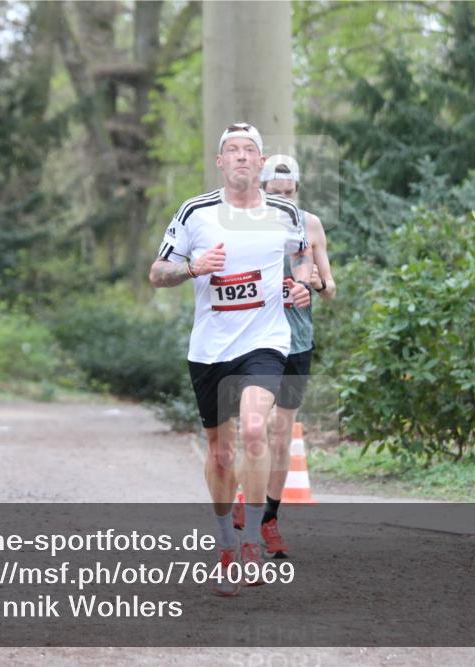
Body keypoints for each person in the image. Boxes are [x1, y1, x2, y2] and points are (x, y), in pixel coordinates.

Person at [149, 123, 313, 596]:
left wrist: (300, 283)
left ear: (261, 163)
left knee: (257, 429)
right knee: (221, 454)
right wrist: (192, 268)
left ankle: (253, 545)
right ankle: (225, 546)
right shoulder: (195, 212)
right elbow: (157, 273)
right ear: (220, 162)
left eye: (250, 151)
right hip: (210, 349)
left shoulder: (284, 212)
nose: (242, 157)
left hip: (265, 339)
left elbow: (301, 257)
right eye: (232, 151)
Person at [258, 154, 336, 558]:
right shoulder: (246, 226)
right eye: (275, 194)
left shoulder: (311, 225)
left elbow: (331, 287)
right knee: (256, 424)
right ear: (261, 190)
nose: (282, 200)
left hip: (298, 341)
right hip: (254, 340)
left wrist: (318, 283)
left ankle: (269, 518)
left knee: (281, 430)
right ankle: (242, 503)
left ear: (298, 192)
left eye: (289, 193)